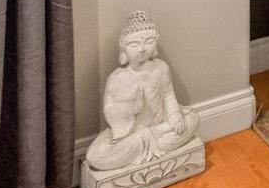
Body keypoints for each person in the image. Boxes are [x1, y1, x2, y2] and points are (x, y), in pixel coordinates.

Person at [84, 11, 200, 171]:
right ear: (124, 49)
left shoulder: (161, 68)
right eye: (134, 44)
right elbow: (109, 110)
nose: (142, 49)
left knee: (193, 119)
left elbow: (168, 94)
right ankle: (152, 137)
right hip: (133, 135)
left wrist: (174, 115)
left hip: (161, 124)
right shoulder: (117, 78)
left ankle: (157, 134)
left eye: (149, 41)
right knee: (95, 156)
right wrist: (132, 107)